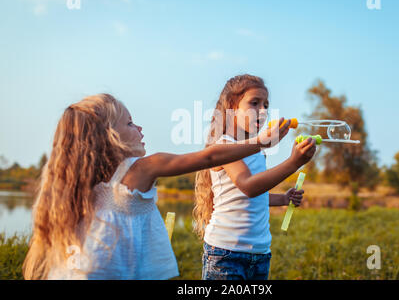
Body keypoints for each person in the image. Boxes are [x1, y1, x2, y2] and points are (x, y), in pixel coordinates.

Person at [22, 93, 291, 280]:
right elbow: (207, 157)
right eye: (129, 122)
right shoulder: (140, 170)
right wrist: (262, 142)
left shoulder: (87, 186)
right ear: (109, 136)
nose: (139, 127)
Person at [194, 74, 316, 280]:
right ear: (232, 108)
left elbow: (250, 197)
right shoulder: (225, 146)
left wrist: (283, 199)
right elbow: (248, 186)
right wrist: (293, 163)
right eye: (254, 103)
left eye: (266, 105)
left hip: (260, 254)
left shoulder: (258, 150)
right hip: (226, 254)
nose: (263, 111)